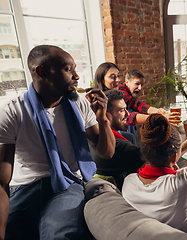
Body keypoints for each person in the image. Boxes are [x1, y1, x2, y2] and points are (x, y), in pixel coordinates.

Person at [0, 45, 116, 240]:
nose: (76, 76)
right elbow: (2, 181)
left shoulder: (79, 103)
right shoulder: (12, 111)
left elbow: (107, 153)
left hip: (67, 184)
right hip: (25, 187)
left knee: (57, 235)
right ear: (41, 72)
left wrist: (102, 118)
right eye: (68, 69)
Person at [90, 89, 145, 191]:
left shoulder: (93, 137)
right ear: (106, 115)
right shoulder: (119, 146)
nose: (127, 114)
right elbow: (159, 161)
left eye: (126, 109)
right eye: (121, 110)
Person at [120, 69, 166, 135]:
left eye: (141, 85)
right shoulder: (121, 91)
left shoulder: (128, 91)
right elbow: (134, 104)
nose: (140, 88)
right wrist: (156, 114)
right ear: (127, 82)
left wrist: (157, 111)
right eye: (137, 84)